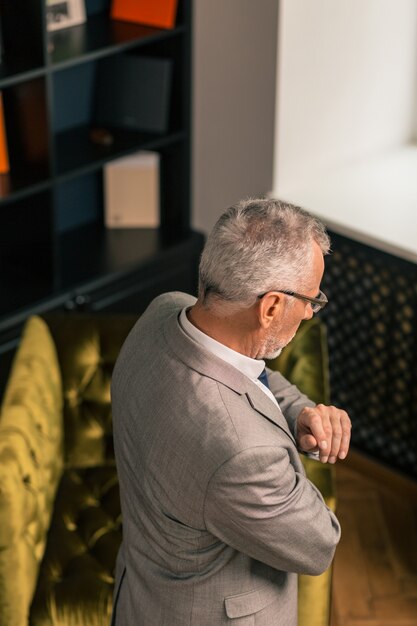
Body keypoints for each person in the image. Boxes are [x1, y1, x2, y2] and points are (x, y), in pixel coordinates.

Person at [110, 198, 351, 626]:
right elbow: (318, 545)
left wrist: (298, 413)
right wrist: (287, 453)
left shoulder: (163, 311)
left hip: (140, 594)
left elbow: (249, 376)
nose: (312, 311)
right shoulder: (243, 454)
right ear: (272, 306)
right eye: (311, 298)